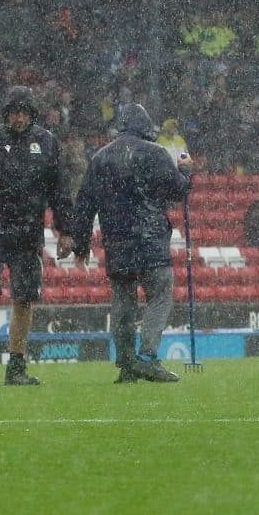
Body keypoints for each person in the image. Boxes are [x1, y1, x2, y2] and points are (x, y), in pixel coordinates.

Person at [63, 103, 191, 384]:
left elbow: (84, 205)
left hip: (117, 244)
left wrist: (81, 246)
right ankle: (147, 357)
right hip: (150, 241)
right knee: (159, 295)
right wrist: (185, 171)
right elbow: (177, 190)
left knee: (123, 304)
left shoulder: (100, 157)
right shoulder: (156, 153)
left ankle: (126, 364)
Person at [0, 86, 72, 388]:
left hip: (29, 232)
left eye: (24, 113)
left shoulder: (47, 143)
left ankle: (16, 367)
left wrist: (65, 230)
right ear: (6, 114)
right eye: (14, 112)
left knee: (24, 299)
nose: (19, 118)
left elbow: (59, 191)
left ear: (32, 114)